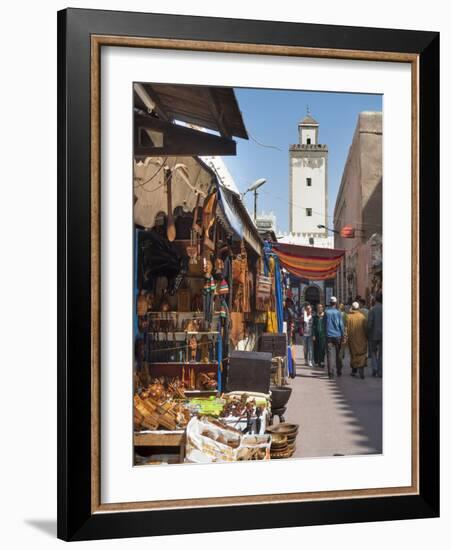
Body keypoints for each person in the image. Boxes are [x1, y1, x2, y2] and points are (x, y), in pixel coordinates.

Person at [345, 301, 368, 379]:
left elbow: (346, 329)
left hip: (352, 339)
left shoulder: (348, 317)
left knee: (353, 354)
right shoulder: (362, 317)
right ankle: (361, 368)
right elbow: (366, 328)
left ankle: (354, 370)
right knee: (361, 353)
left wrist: (345, 338)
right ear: (358, 308)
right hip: (362, 338)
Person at [325, 296, 344, 378]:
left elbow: (324, 324)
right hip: (337, 335)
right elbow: (341, 325)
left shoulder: (326, 312)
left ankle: (330, 373)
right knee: (338, 354)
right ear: (335, 303)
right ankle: (339, 371)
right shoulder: (338, 312)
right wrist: (343, 335)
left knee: (329, 355)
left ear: (330, 303)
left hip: (329, 335)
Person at [368, 291, 383, 377]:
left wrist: (368, 332)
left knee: (373, 352)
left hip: (373, 335)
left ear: (376, 300)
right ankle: (380, 372)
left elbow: (370, 323)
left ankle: (375, 368)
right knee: (382, 354)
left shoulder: (373, 309)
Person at [313, 303, 326, 368]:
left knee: (322, 349)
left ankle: (322, 361)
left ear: (322, 308)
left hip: (323, 335)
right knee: (316, 349)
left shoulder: (325, 317)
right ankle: (316, 361)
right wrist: (313, 335)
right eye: (318, 307)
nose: (320, 308)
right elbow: (313, 326)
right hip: (316, 335)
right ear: (317, 309)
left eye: (321, 307)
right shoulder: (315, 317)